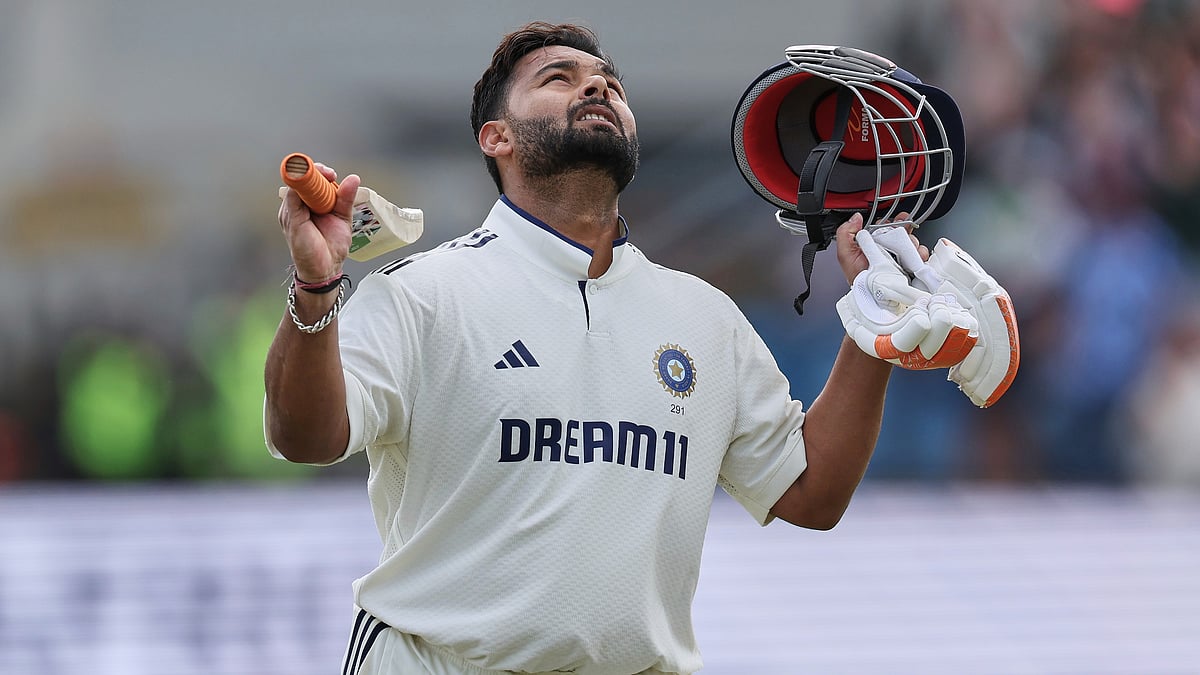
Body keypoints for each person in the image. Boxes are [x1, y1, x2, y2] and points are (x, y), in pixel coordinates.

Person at [265, 21, 933, 675]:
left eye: (610, 84)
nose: (597, 90)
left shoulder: (705, 317)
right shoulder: (422, 293)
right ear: (495, 137)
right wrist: (317, 289)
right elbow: (307, 436)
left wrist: (872, 323)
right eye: (560, 78)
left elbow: (812, 493)